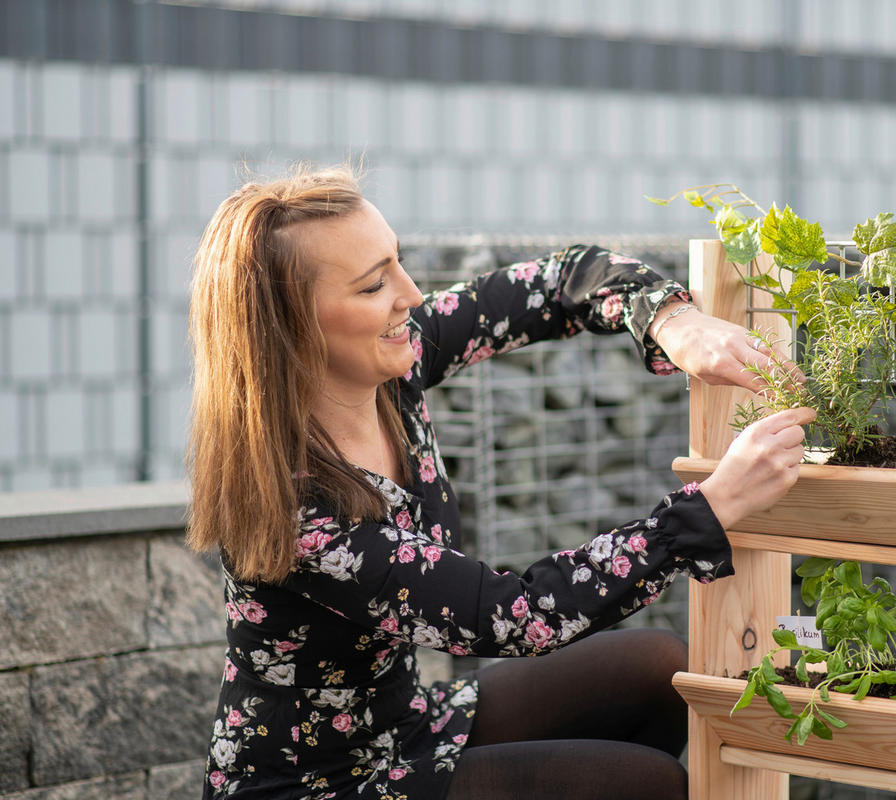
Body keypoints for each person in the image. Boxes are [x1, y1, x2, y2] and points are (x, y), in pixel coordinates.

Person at [187, 165, 816, 800]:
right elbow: (516, 616)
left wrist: (669, 320)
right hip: (312, 785)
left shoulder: (394, 370)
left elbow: (557, 283)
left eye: (397, 262)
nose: (409, 293)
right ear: (293, 328)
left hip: (402, 727)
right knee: (646, 785)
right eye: (374, 284)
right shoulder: (303, 512)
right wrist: (707, 509)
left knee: (660, 668)